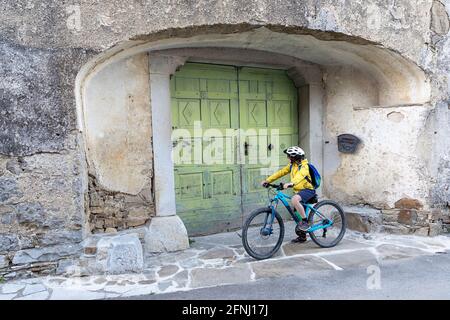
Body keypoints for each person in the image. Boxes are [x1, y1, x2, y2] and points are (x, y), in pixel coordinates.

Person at [261, 146, 316, 243]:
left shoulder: (304, 167)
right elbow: (281, 173)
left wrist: (291, 183)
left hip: (308, 190)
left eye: (290, 156)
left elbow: (300, 177)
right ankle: (303, 237)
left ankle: (305, 222)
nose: (288, 158)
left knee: (294, 200)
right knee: (296, 213)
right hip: (299, 191)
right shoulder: (292, 166)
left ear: (296, 157)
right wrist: (268, 180)